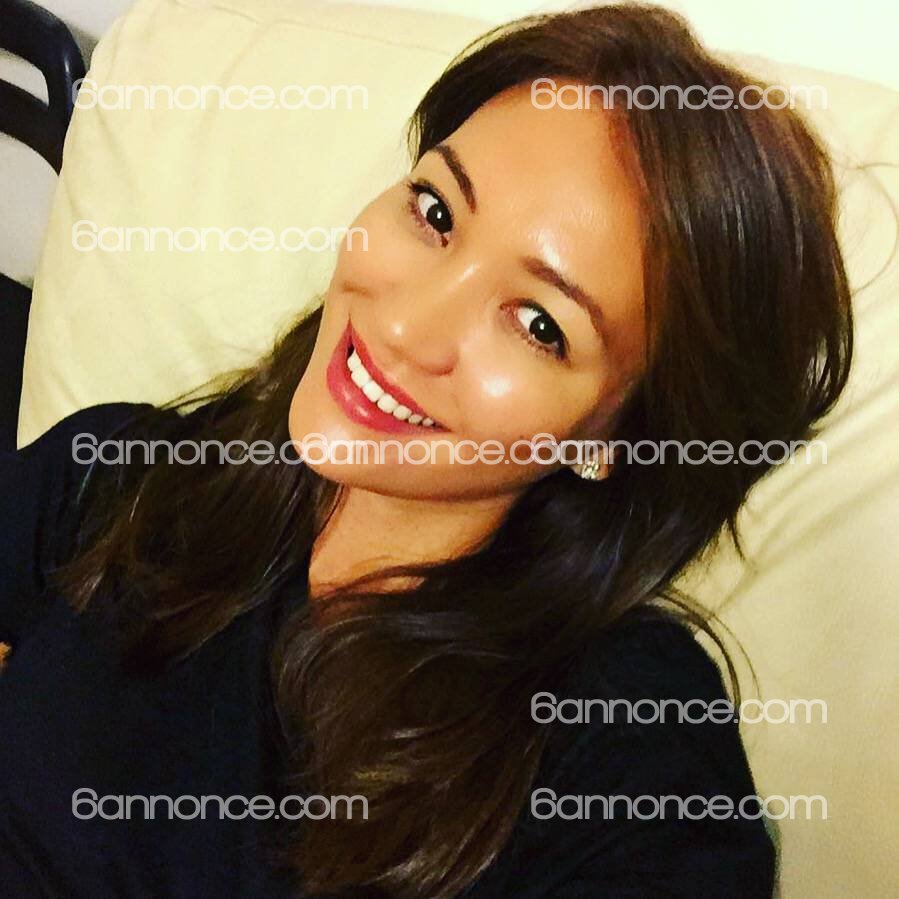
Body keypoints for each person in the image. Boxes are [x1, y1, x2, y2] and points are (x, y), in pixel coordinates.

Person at [0, 4, 852, 896]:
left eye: (538, 324)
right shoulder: (122, 477)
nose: (405, 324)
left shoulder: (627, 755)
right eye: (436, 211)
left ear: (616, 436)